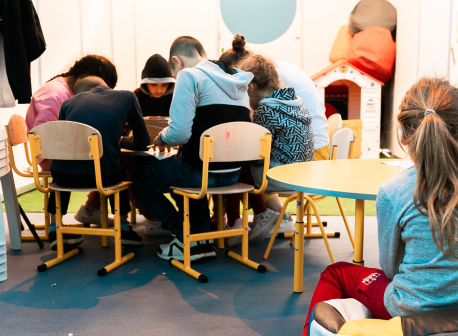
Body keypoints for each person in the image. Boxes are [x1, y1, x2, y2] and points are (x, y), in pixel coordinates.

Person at [239, 77, 458, 336]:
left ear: (404, 137)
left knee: (338, 273)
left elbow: (390, 269)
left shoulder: (394, 191)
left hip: (413, 309)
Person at [132, 36, 253, 261]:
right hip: (234, 173)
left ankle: (188, 236)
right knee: (183, 174)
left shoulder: (189, 75)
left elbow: (178, 133)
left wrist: (160, 139)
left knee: (140, 178)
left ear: (176, 61)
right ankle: (202, 239)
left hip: (199, 171)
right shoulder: (238, 79)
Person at [25, 55, 119, 248]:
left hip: (58, 154)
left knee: (104, 156)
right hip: (51, 157)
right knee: (113, 161)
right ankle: (119, 223)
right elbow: (46, 140)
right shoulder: (55, 94)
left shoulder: (67, 90)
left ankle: (92, 209)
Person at [48, 76, 151, 247]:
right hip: (105, 176)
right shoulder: (127, 97)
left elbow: (63, 142)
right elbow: (143, 142)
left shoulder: (68, 103)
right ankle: (123, 228)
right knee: (120, 173)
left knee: (61, 169)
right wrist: (122, 141)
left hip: (64, 177)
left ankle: (54, 229)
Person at [224, 54, 314, 245]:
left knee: (233, 168)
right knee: (243, 167)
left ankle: (234, 224)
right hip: (302, 173)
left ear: (251, 86)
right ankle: (258, 215)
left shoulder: (267, 109)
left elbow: (254, 151)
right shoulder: (294, 101)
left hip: (284, 176)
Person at [220, 35, 330, 160]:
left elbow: (256, 148)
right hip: (312, 152)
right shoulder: (275, 76)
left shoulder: (268, 106)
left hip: (315, 155)